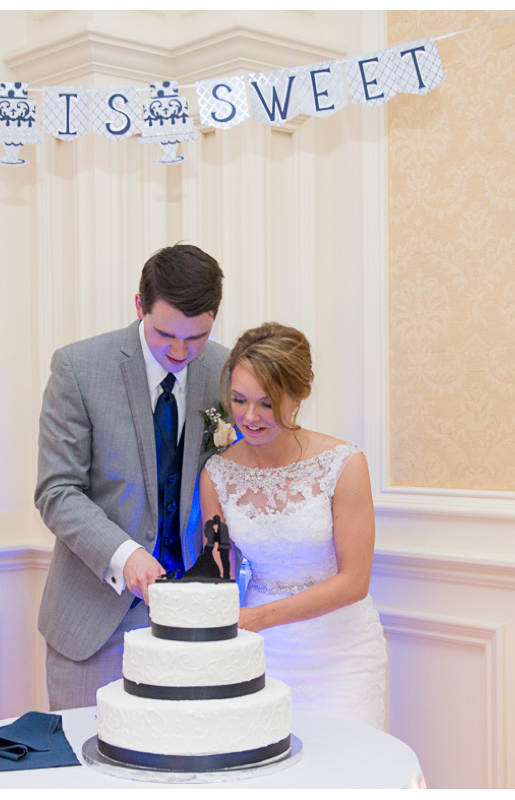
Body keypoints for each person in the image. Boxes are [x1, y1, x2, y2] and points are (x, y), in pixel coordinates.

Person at [35, 244, 230, 711]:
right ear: (140, 305)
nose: (181, 352)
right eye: (166, 334)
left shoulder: (227, 371)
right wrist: (126, 556)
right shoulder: (78, 368)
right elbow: (57, 491)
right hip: (94, 625)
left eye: (197, 337)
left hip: (196, 624)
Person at [199, 322, 389, 729]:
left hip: (342, 652)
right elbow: (221, 573)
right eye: (239, 400)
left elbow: (355, 581)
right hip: (260, 650)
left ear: (298, 395)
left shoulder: (344, 464)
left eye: (267, 404)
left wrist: (259, 618)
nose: (249, 417)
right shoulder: (217, 473)